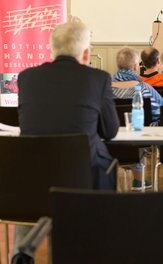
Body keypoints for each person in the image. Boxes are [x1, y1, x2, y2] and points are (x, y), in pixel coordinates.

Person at [18, 17, 119, 189]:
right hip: (85, 176)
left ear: (52, 50)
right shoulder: (98, 78)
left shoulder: (26, 78)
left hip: (34, 173)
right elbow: (110, 130)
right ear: (87, 53)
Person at [113, 47, 163, 125]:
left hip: (112, 134)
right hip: (142, 132)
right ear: (135, 66)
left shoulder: (103, 88)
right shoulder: (143, 88)